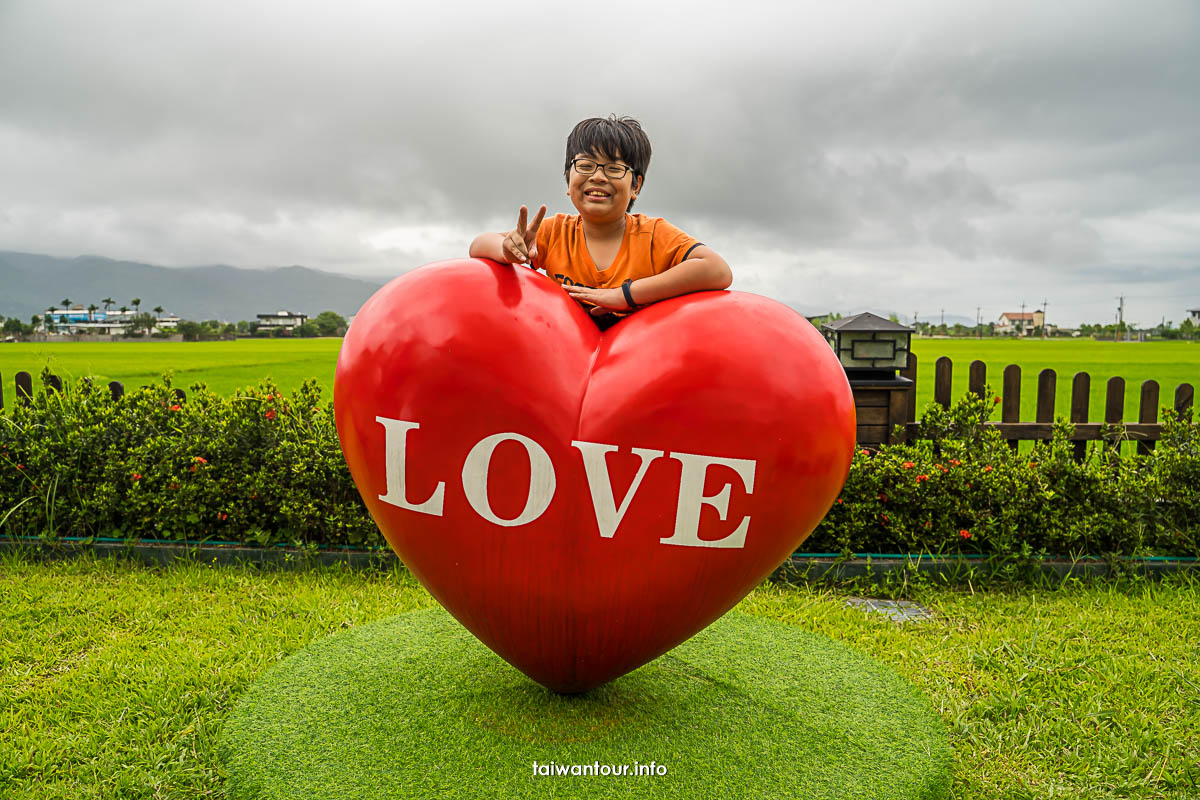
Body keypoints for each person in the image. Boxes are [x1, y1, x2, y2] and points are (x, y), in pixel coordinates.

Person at [469, 115, 732, 328]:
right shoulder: (556, 231)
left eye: (614, 169)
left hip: (635, 362)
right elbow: (478, 246)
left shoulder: (653, 235)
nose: (598, 177)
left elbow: (717, 270)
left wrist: (625, 295)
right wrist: (507, 250)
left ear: (636, 185)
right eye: (585, 165)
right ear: (567, 179)